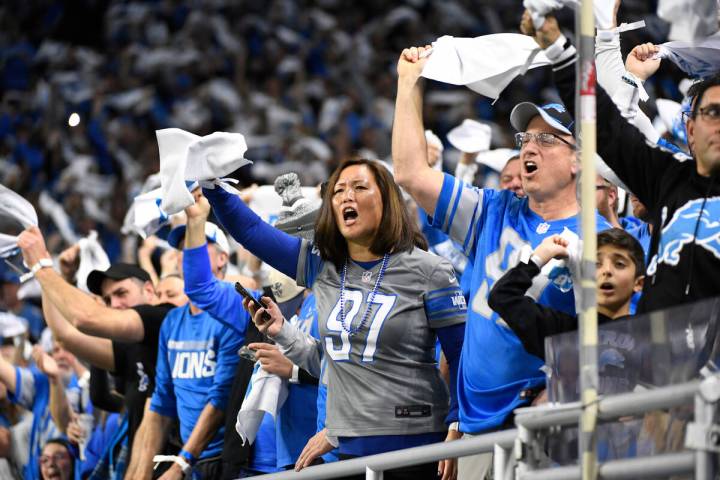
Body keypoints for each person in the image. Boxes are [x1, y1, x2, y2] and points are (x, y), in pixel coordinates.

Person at [391, 44, 612, 478]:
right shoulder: (490, 211)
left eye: (546, 138)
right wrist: (408, 82)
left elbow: (615, 335)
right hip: (476, 428)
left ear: (578, 160)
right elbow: (410, 173)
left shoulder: (602, 238)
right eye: (525, 138)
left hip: (551, 423)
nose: (530, 146)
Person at [202, 158, 466, 479]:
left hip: (417, 444)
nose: (346, 196)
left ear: (387, 200)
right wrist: (211, 184)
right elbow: (252, 231)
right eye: (338, 191)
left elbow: (459, 355)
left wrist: (457, 424)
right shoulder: (322, 268)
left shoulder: (429, 270)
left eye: (359, 187)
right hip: (349, 450)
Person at [531, 15, 720, 312]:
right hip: (660, 352)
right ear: (691, 129)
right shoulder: (669, 176)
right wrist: (560, 50)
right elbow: (608, 128)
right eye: (712, 113)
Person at [16, 227, 175, 475]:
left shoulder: (163, 318)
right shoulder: (130, 344)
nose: (115, 305)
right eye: (109, 299)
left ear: (149, 291)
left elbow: (84, 319)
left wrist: (41, 266)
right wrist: (61, 276)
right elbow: (65, 335)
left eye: (122, 293)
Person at [136, 218, 243, 480]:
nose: (188, 253)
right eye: (184, 247)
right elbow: (163, 400)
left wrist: (181, 463)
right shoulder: (172, 321)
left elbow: (221, 398)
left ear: (222, 258)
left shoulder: (234, 309)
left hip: (230, 459)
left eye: (198, 244)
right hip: (191, 460)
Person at [488, 228, 645, 360]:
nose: (607, 271)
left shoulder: (650, 335)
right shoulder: (561, 333)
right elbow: (502, 296)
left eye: (619, 264)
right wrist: (537, 259)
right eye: (596, 264)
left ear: (638, 283)